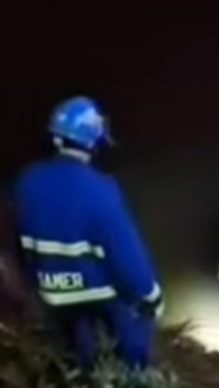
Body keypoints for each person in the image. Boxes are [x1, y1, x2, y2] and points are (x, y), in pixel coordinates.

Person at [13, 96, 164, 370]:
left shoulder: (27, 181)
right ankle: (135, 384)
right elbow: (126, 254)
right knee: (137, 318)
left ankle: (83, 372)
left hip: (51, 292)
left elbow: (20, 246)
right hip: (95, 292)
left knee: (78, 340)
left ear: (55, 138)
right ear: (94, 142)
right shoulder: (101, 188)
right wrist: (151, 295)